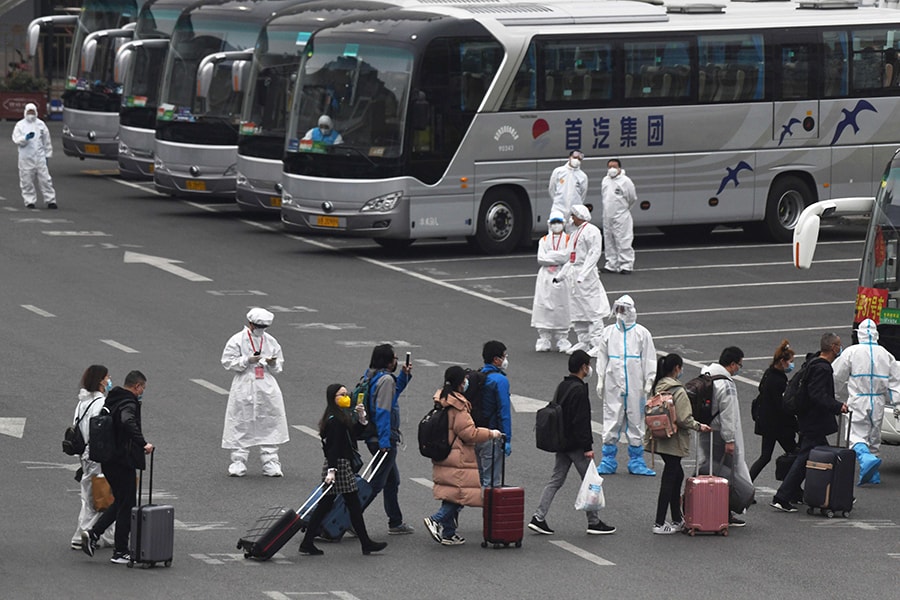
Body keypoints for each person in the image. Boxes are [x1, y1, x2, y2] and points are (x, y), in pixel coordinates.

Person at [527, 350, 616, 536]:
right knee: (591, 481)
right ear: (584, 367)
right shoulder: (579, 389)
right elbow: (581, 422)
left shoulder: (563, 385)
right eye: (588, 365)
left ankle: (538, 516)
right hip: (575, 445)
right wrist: (587, 448)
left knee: (555, 480)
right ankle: (594, 521)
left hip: (561, 442)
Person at [298, 384, 387, 556]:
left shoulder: (339, 416)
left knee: (331, 505)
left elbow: (352, 435)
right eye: (342, 394)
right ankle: (365, 543)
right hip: (339, 466)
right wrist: (332, 470)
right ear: (333, 398)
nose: (346, 397)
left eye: (347, 394)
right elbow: (333, 448)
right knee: (350, 505)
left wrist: (362, 418)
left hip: (339, 465)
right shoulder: (334, 420)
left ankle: (308, 542)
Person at [423, 366, 503, 546]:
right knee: (459, 495)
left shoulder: (442, 399)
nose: (467, 382)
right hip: (458, 456)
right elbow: (470, 433)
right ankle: (436, 520)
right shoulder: (458, 407)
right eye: (465, 379)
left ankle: (449, 533)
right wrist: (491, 433)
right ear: (461, 382)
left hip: (445, 453)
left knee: (451, 492)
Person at [771, 333, 849, 512]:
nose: (840, 348)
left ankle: (836, 495)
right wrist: (838, 406)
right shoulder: (822, 368)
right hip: (814, 421)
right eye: (839, 345)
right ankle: (782, 496)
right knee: (806, 458)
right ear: (833, 348)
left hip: (808, 419)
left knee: (816, 456)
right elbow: (818, 395)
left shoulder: (813, 363)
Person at [81, 370, 153, 564]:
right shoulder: (129, 402)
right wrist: (143, 443)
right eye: (142, 388)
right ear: (137, 386)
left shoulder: (112, 399)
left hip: (108, 458)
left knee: (121, 501)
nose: (142, 392)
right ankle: (121, 551)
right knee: (127, 504)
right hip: (123, 460)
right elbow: (127, 421)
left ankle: (93, 533)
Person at [645, 354, 711, 534]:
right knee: (669, 479)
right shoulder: (677, 390)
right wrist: (699, 426)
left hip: (659, 437)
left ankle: (676, 518)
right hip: (673, 440)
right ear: (676, 368)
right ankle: (659, 523)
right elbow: (683, 418)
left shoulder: (658, 386)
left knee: (676, 475)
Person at [221, 308, 289, 478]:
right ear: (250, 323)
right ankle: (238, 461)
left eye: (263, 326)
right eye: (258, 325)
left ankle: (271, 461)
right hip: (245, 382)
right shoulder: (237, 340)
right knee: (240, 420)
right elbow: (227, 361)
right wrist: (246, 360)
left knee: (270, 421)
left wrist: (272, 364)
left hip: (266, 384)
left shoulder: (271, 341)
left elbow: (279, 366)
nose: (260, 329)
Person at [832, 319, 900, 485]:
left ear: (860, 334)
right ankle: (872, 474)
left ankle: (866, 460)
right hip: (878, 401)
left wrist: (832, 396)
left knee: (855, 436)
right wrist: (897, 403)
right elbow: (896, 381)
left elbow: (836, 375)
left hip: (858, 400)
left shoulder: (852, 352)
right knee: (874, 436)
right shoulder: (886, 354)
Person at [595, 295, 657, 476]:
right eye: (619, 309)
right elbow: (602, 358)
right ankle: (608, 459)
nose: (621, 313)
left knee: (636, 420)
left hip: (636, 384)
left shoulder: (641, 333)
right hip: (613, 384)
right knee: (611, 418)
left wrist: (649, 381)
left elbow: (649, 358)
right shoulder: (608, 332)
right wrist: (600, 380)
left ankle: (636, 460)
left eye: (624, 309)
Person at [698, 346, 754, 527]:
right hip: (721, 436)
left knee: (707, 470)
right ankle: (724, 512)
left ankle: (703, 507)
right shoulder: (726, 384)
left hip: (705, 432)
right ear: (731, 364)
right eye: (739, 365)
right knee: (725, 477)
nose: (739, 369)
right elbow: (728, 415)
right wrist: (730, 440)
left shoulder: (705, 374)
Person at [362, 343, 415, 535]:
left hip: (373, 436)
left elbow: (390, 397)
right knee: (377, 483)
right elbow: (384, 411)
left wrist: (404, 376)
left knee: (392, 480)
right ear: (387, 360)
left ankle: (395, 521)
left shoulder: (371, 375)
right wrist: (385, 442)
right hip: (382, 439)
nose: (397, 360)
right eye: (394, 358)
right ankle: (353, 516)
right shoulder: (385, 380)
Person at [554, 204, 610, 354]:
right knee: (577, 309)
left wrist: (584, 274)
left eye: (573, 215)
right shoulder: (575, 233)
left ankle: (598, 343)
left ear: (580, 216)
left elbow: (594, 253)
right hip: (575, 273)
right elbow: (571, 259)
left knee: (592, 308)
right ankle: (583, 341)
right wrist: (560, 276)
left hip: (586, 276)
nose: (571, 218)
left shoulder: (592, 231)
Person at [70, 365, 115, 551]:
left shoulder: (82, 402)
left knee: (90, 494)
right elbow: (101, 430)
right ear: (100, 381)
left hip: (84, 454)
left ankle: (95, 534)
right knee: (98, 496)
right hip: (96, 455)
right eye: (107, 377)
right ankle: (84, 534)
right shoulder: (99, 403)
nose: (109, 379)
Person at [748, 340, 798, 481]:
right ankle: (792, 488)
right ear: (782, 361)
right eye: (791, 361)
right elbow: (782, 407)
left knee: (765, 457)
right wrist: (795, 425)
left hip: (767, 424)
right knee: (795, 455)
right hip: (778, 426)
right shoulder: (778, 381)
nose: (792, 365)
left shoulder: (769, 374)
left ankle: (746, 486)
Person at [531, 210, 571, 353]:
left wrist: (552, 256)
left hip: (562, 274)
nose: (556, 225)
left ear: (563, 223)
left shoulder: (568, 239)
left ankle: (562, 338)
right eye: (553, 222)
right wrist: (557, 257)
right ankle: (544, 338)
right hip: (546, 277)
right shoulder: (543, 240)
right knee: (544, 305)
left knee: (562, 305)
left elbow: (567, 257)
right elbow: (541, 258)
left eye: (558, 222)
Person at [475, 340, 512, 488]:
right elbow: (504, 411)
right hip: (492, 435)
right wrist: (506, 438)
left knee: (477, 479)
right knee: (492, 483)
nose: (505, 360)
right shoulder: (499, 380)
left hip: (474, 433)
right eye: (504, 356)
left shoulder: (476, 376)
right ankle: (490, 511)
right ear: (496, 359)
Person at [11, 102, 57, 209]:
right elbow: (16, 139)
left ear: (36, 112)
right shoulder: (20, 125)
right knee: (26, 180)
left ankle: (50, 200)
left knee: (45, 180)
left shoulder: (41, 125)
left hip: (40, 157)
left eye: (32, 112)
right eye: (29, 112)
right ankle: (29, 201)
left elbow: (47, 141)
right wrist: (25, 139)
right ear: (25, 112)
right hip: (25, 158)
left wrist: (47, 155)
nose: (31, 114)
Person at [600, 158, 636, 274]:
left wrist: (623, 210)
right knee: (609, 240)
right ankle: (611, 264)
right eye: (610, 166)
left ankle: (626, 265)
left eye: (614, 166)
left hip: (621, 216)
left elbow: (632, 198)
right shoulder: (605, 180)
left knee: (623, 240)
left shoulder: (626, 181)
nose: (612, 169)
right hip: (607, 216)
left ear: (619, 168)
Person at [548, 149, 588, 227]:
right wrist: (557, 200)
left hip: (574, 212)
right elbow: (551, 189)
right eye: (575, 157)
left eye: (579, 159)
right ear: (569, 157)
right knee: (555, 232)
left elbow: (583, 195)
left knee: (572, 235)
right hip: (558, 208)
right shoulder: (558, 171)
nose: (576, 160)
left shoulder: (583, 176)